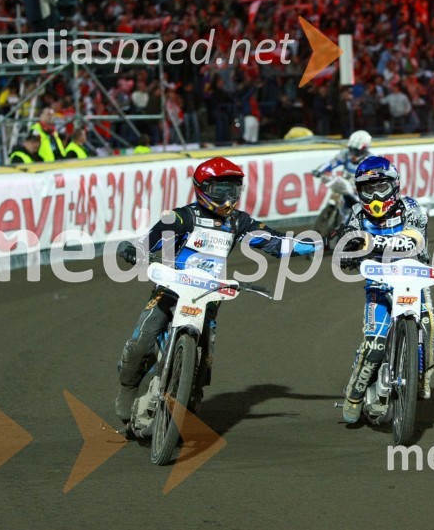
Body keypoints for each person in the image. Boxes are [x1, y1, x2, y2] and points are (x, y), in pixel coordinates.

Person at [114, 157, 321, 427]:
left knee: (205, 357)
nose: (226, 199)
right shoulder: (180, 217)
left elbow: (274, 241)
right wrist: (135, 252)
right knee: (142, 341)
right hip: (171, 288)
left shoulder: (239, 222)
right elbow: (147, 243)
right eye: (219, 191)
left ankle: (192, 391)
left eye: (232, 192)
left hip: (209, 295)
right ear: (202, 188)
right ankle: (128, 386)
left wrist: (315, 244)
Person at [335, 156, 434, 423]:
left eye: (381, 187)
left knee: (429, 325)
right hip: (378, 287)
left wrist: (368, 242)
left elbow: (414, 241)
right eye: (369, 190)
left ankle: (423, 378)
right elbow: (346, 249)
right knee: (374, 344)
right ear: (359, 191)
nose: (376, 195)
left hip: (413, 281)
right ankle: (354, 395)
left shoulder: (411, 208)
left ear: (395, 185)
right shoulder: (357, 213)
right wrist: (347, 254)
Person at [310, 130, 372, 228]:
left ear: (364, 149)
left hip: (360, 190)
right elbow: (332, 163)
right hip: (344, 184)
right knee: (336, 191)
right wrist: (319, 170)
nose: (352, 153)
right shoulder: (345, 154)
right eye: (351, 149)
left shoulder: (370, 160)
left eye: (356, 150)